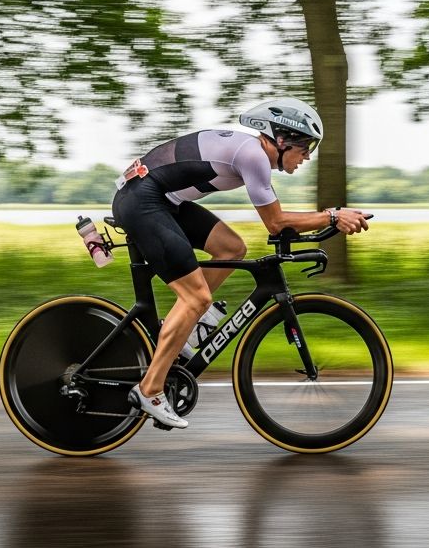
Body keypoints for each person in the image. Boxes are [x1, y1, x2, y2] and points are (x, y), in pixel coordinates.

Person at [111, 98, 371, 429]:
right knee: (197, 297)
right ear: (281, 140)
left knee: (232, 248)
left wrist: (324, 221)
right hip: (142, 202)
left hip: (161, 200)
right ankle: (150, 389)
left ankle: (181, 327)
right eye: (305, 147)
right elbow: (275, 223)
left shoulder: (252, 152)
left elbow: (277, 223)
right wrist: (332, 215)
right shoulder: (254, 155)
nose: (307, 156)